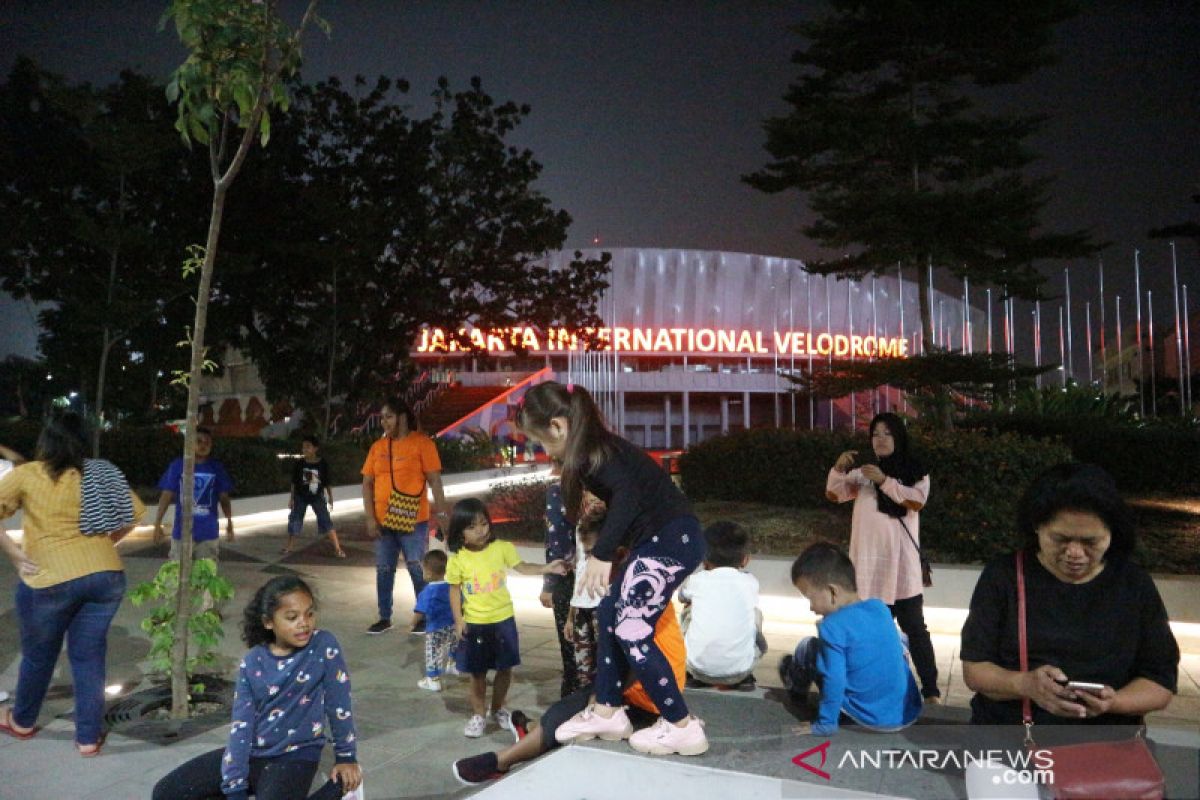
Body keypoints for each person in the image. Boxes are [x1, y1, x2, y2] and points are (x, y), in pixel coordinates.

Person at [517, 381, 707, 756]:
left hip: (670, 540)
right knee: (609, 610)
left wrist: (603, 554)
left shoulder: (592, 452)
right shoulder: (595, 449)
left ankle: (681, 725)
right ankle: (607, 709)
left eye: (541, 441)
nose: (544, 451)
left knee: (632, 627)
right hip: (659, 541)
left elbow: (627, 496)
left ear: (557, 427)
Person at [961, 462, 1178, 727]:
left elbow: (1160, 681)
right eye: (1060, 539)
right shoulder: (1004, 576)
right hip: (1011, 737)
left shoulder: (1133, 584)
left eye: (1090, 542)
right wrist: (1025, 684)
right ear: (1037, 527)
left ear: (1112, 534)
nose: (1075, 553)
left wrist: (1115, 702)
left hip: (1106, 742)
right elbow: (975, 669)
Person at [452, 575, 689, 785]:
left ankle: (502, 761)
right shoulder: (643, 590)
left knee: (568, 711)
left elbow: (640, 667)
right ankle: (532, 729)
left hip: (647, 701)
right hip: (640, 690)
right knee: (573, 703)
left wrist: (598, 701)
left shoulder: (635, 602)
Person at [0, 413, 144, 755]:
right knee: (89, 657)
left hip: (49, 578)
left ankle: (21, 722)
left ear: (46, 439)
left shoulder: (28, 475)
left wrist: (15, 553)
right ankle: (88, 739)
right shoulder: (98, 473)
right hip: (106, 576)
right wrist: (103, 545)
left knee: (38, 655)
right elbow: (136, 513)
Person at [151, 576, 362, 800]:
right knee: (165, 792)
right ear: (268, 622)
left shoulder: (323, 645)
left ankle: (338, 789)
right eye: (292, 617)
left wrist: (346, 757)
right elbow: (242, 725)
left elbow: (339, 704)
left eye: (309, 613)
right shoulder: (253, 661)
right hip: (253, 753)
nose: (304, 623)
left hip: (297, 755)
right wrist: (235, 787)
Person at [826, 412, 940, 703]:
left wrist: (886, 481)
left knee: (915, 629)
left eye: (887, 433)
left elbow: (916, 500)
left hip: (901, 570)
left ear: (898, 437)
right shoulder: (864, 473)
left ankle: (931, 690)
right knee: (871, 635)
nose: (880, 439)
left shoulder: (916, 470)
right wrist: (839, 470)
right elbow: (835, 494)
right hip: (868, 571)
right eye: (875, 434)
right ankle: (872, 690)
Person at [445, 498, 567, 738]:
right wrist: (459, 620)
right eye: (472, 527)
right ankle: (478, 715)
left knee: (505, 668)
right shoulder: (458, 558)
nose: (481, 530)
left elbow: (521, 567)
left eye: (483, 523)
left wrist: (547, 569)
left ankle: (498, 709)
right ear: (460, 533)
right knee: (477, 673)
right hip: (477, 623)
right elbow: (454, 590)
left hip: (503, 620)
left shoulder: (502, 548)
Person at [780, 542, 922, 737]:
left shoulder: (833, 627)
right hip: (904, 715)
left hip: (864, 718)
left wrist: (825, 724)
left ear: (833, 592)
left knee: (808, 646)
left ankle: (795, 687)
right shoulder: (879, 608)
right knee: (897, 639)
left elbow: (834, 679)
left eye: (809, 598)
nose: (811, 607)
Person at [361, 397, 448, 634]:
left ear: (401, 417)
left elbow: (435, 481)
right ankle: (384, 617)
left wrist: (442, 514)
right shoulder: (378, 447)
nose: (383, 422)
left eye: (388, 416)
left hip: (413, 520)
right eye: (381, 418)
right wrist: (370, 517)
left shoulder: (422, 444)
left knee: (417, 568)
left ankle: (423, 616)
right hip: (382, 521)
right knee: (384, 569)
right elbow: (367, 483)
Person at [678, 521, 766, 689]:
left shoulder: (697, 581)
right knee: (755, 614)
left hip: (696, 669)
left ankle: (692, 670)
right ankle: (743, 677)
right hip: (741, 670)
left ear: (704, 558)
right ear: (745, 559)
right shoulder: (750, 582)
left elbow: (681, 596)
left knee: (689, 607)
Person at [153, 426, 235, 560]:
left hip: (208, 534)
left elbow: (224, 498)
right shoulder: (178, 466)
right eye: (199, 441)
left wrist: (230, 522)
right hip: (182, 533)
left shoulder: (216, 468)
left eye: (207, 442)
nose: (203, 445)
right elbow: (166, 495)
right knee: (177, 575)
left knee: (205, 576)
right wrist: (157, 524)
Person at [540, 460, 578, 698]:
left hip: (569, 576)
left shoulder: (559, 490)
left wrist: (549, 585)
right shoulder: (603, 487)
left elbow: (557, 540)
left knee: (571, 640)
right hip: (604, 572)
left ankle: (573, 697)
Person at [563, 506, 605, 690]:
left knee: (604, 663)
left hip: (600, 609)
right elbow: (579, 574)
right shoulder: (582, 528)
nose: (588, 557)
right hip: (581, 609)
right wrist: (570, 617)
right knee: (583, 669)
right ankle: (586, 704)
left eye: (592, 552)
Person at [282, 435, 345, 558]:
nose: (305, 449)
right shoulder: (299, 464)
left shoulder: (322, 464)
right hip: (300, 496)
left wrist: (330, 498)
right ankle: (289, 546)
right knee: (295, 520)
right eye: (303, 447)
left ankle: (337, 548)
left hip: (317, 497)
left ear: (315, 448)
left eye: (308, 447)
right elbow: (294, 482)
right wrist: (291, 498)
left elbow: (327, 482)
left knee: (326, 520)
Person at [413, 549, 457, 691]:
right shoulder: (451, 586)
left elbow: (420, 610)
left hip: (435, 627)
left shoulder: (427, 591)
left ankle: (433, 680)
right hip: (452, 625)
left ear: (429, 573)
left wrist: (412, 623)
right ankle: (452, 664)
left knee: (432, 651)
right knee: (452, 644)